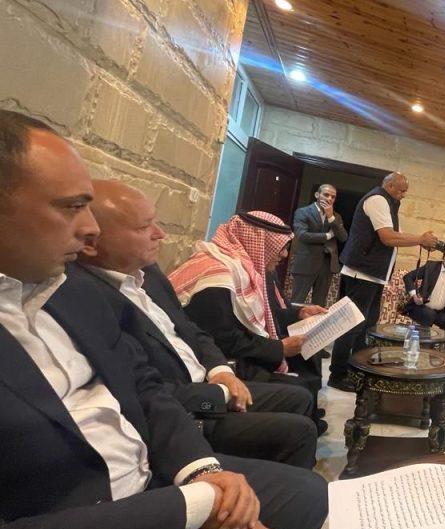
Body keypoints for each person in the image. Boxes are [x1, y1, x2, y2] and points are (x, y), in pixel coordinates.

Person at [0, 112, 332, 529]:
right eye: (71, 207)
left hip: (157, 473)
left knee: (309, 494)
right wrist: (193, 505)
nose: (89, 230)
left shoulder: (69, 290)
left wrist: (202, 470)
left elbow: (147, 386)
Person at [79, 180, 318, 469]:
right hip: (188, 403)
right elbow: (224, 339)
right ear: (91, 241)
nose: (160, 234)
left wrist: (221, 372)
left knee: (301, 393)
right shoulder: (214, 275)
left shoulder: (149, 274)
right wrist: (227, 386)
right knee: (299, 423)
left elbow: (192, 331)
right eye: (144, 227)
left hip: (209, 374)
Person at [167, 211, 329, 434]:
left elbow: (267, 313)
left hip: (239, 350)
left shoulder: (244, 268)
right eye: (280, 247)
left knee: (309, 358)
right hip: (220, 362)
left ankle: (310, 420)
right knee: (297, 389)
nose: (283, 254)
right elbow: (224, 339)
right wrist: (279, 348)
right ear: (260, 242)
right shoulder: (217, 276)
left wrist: (300, 313)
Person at [326, 173, 437, 389]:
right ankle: (337, 375)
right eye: (401, 190)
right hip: (362, 273)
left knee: (367, 325)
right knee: (352, 326)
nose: (404, 195)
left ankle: (357, 370)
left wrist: (420, 242)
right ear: (389, 185)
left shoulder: (390, 204)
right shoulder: (377, 199)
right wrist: (420, 239)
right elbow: (388, 237)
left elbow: (396, 236)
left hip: (373, 275)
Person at [290, 183, 347, 307]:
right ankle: (290, 320)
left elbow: (343, 237)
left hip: (326, 266)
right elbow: (302, 235)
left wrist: (330, 217)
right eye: (326, 195)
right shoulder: (303, 212)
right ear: (317, 195)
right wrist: (328, 236)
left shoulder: (336, 217)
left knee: (319, 305)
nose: (329, 199)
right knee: (296, 302)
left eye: (333, 197)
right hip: (306, 263)